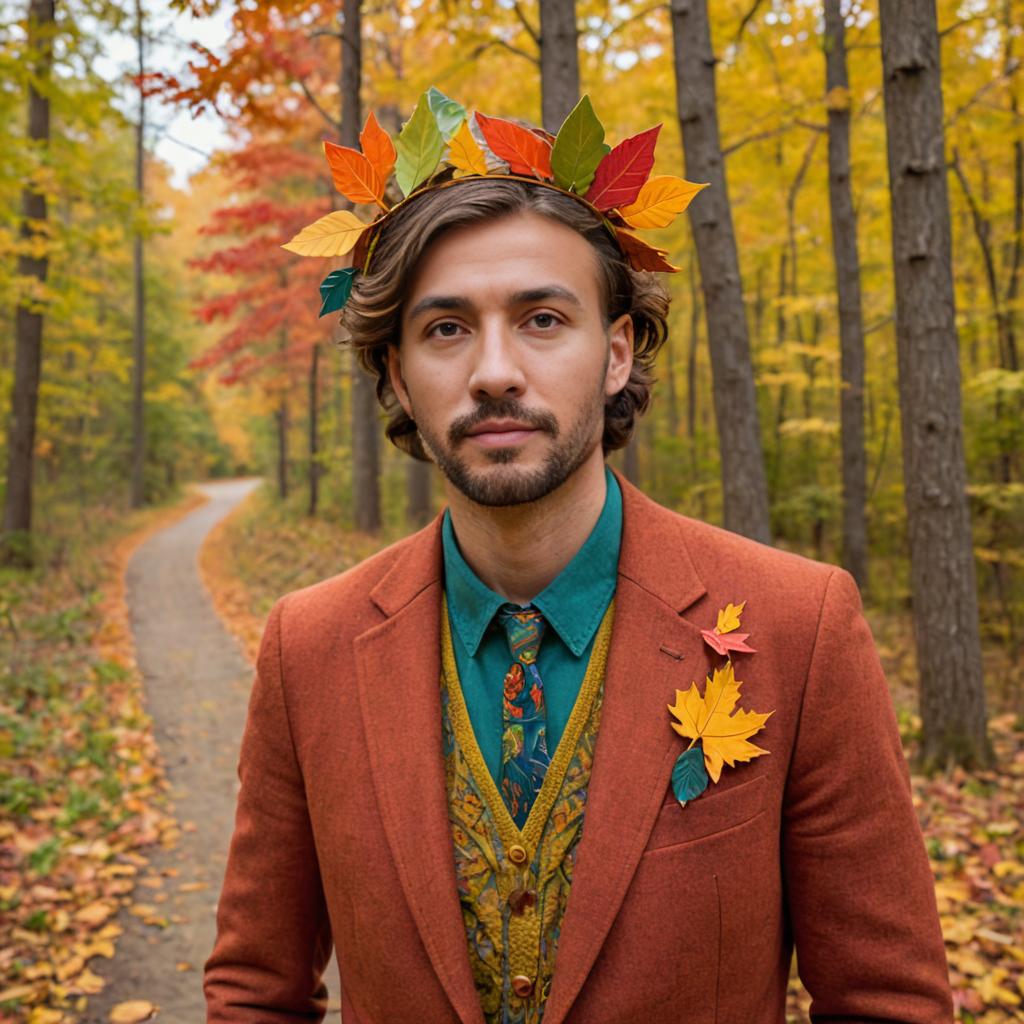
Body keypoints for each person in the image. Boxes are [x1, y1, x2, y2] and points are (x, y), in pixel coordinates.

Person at [204, 90, 953, 1024]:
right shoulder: (308, 648)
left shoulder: (798, 628)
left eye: (543, 319)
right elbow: (253, 993)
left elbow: (889, 1002)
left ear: (615, 352)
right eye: (445, 329)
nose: (494, 370)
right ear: (397, 373)